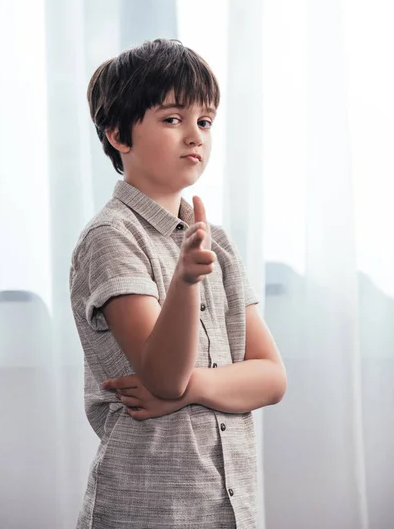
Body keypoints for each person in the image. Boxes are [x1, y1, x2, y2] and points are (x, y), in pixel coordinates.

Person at [69, 38, 286, 529]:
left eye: (204, 121)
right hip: (149, 506)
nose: (195, 136)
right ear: (119, 134)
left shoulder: (216, 242)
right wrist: (185, 280)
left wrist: (194, 390)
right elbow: (163, 376)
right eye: (172, 119)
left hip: (227, 507)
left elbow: (272, 378)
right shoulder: (111, 237)